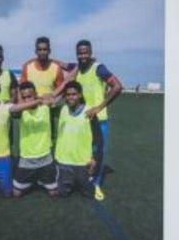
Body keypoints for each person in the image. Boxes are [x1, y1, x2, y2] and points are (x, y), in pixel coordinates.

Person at [60, 40, 122, 199]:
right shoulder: (78, 70)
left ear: (91, 52)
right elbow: (64, 64)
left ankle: (96, 184)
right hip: (82, 121)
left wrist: (99, 107)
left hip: (98, 119)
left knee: (98, 153)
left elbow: (117, 86)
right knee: (83, 153)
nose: (83, 55)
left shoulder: (99, 68)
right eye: (80, 53)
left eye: (85, 52)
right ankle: (83, 179)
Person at [51, 81, 104, 199]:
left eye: (74, 94)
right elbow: (50, 102)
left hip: (82, 162)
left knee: (88, 194)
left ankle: (86, 182)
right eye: (68, 94)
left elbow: (98, 138)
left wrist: (94, 159)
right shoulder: (62, 109)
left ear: (80, 95)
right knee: (63, 193)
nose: (70, 97)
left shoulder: (89, 112)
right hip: (64, 161)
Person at [11, 82, 58, 198]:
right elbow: (12, 110)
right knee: (16, 193)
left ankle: (43, 177)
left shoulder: (45, 107)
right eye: (24, 97)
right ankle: (34, 178)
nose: (27, 100)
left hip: (45, 157)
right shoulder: (21, 111)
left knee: (53, 193)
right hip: (27, 158)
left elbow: (54, 98)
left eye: (30, 96)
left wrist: (44, 100)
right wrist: (37, 101)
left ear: (35, 94)